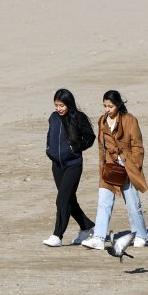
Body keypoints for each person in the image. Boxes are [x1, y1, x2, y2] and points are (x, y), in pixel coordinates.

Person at [81, 90, 148, 250]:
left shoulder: (130, 120)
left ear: (118, 105)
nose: (107, 109)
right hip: (109, 168)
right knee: (103, 203)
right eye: (104, 106)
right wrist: (102, 167)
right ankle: (98, 237)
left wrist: (134, 165)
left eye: (110, 106)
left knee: (133, 205)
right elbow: (101, 146)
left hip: (127, 169)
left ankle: (140, 234)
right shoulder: (102, 121)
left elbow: (138, 146)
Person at [43, 88, 96, 247]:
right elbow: (49, 135)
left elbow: (90, 137)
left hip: (73, 165)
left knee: (61, 200)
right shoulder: (53, 117)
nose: (58, 108)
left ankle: (57, 235)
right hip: (57, 165)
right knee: (68, 200)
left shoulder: (78, 117)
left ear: (69, 104)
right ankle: (87, 227)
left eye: (61, 105)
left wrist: (76, 148)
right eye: (56, 105)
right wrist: (48, 149)